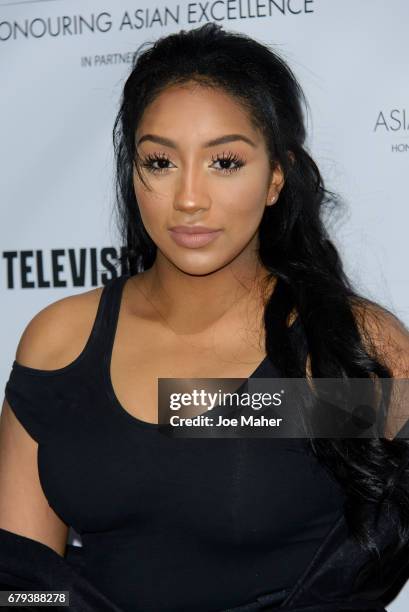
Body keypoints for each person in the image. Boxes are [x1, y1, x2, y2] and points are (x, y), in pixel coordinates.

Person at [1, 22, 409, 612]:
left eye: (224, 161)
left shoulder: (346, 343)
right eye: (161, 161)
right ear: (133, 171)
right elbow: (22, 583)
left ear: (276, 176)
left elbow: (205, 422)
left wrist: (207, 408)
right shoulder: (60, 340)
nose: (190, 197)